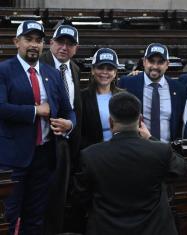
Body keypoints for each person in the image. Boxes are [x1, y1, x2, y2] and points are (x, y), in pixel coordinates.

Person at [0, 20, 75, 234]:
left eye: (38, 40)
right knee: (9, 216)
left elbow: (68, 110)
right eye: (28, 39)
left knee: (36, 217)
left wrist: (69, 124)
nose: (34, 45)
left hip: (45, 157)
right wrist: (35, 111)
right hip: (12, 159)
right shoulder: (3, 70)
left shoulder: (52, 73)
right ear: (16, 42)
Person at [73, 92, 187, 235]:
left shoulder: (90, 155)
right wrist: (150, 138)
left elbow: (80, 196)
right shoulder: (160, 150)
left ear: (110, 122)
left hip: (107, 228)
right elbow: (181, 168)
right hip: (154, 229)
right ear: (140, 121)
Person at [39, 24, 82, 234]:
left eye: (70, 44)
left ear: (76, 48)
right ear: (51, 43)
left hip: (65, 144)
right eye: (60, 42)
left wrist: (70, 125)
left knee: (58, 201)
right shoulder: (39, 64)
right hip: (41, 144)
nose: (64, 47)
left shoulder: (74, 68)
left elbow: (73, 108)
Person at [118, 43, 185, 142]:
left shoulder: (178, 88)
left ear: (167, 64)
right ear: (144, 62)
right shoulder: (128, 83)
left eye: (160, 62)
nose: (155, 66)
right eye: (151, 61)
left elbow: (179, 123)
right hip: (137, 149)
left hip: (168, 150)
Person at [81, 48, 123, 148]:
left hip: (119, 152)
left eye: (109, 69)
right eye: (100, 68)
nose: (104, 72)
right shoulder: (82, 97)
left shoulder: (124, 97)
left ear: (115, 72)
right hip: (93, 154)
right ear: (92, 70)